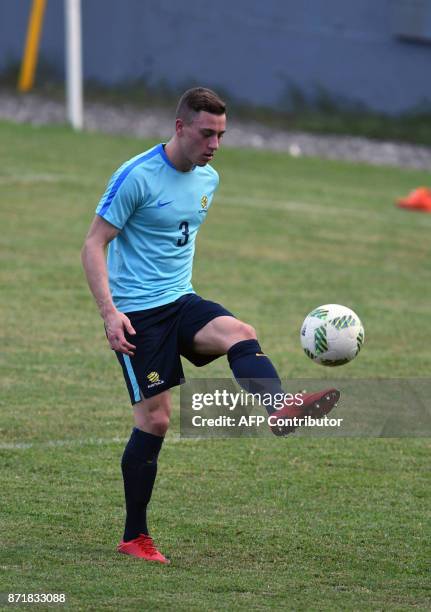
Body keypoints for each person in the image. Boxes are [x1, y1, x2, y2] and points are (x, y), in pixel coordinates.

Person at [81, 87, 340, 564]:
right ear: (180, 127)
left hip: (181, 300)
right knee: (155, 420)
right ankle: (133, 536)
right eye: (206, 133)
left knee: (240, 332)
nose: (215, 144)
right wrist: (109, 313)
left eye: (221, 134)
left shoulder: (209, 179)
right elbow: (93, 244)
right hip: (138, 315)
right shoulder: (136, 176)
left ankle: (279, 406)